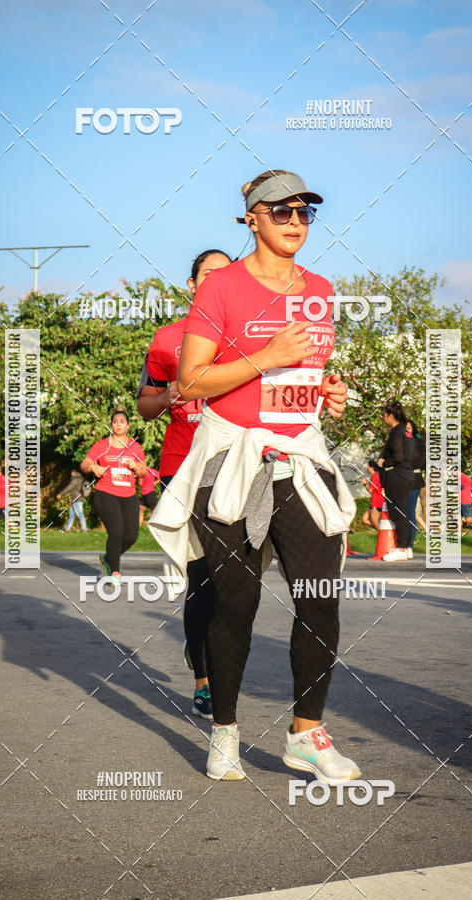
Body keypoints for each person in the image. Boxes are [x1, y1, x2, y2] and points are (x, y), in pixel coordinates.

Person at [149, 169, 360, 785]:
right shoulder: (221, 290)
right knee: (233, 605)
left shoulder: (319, 288)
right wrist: (264, 356)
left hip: (300, 456)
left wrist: (328, 392)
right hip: (233, 462)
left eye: (304, 213)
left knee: (321, 595)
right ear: (252, 219)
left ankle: (306, 733)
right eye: (282, 211)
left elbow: (301, 377)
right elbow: (188, 382)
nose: (295, 222)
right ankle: (226, 732)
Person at [137, 249, 232, 720]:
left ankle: (217, 662)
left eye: (225, 274)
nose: (217, 281)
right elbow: (145, 406)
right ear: (193, 284)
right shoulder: (166, 340)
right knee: (200, 579)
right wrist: (172, 392)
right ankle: (204, 680)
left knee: (233, 582)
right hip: (182, 466)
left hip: (236, 465)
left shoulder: (247, 334)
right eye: (208, 275)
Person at [81, 409, 147, 583]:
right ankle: (114, 572)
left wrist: (136, 466)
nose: (118, 424)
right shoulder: (103, 445)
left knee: (131, 536)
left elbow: (143, 472)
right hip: (106, 493)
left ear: (128, 425)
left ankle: (108, 558)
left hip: (129, 495)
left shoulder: (135, 447)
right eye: (115, 421)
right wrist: (94, 467)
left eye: (122, 421)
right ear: (111, 425)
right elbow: (85, 463)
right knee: (116, 531)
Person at [377, 400, 414, 561]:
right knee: (403, 510)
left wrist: (384, 462)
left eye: (385, 416)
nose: (384, 420)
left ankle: (402, 547)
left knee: (397, 511)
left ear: (392, 416)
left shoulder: (396, 432)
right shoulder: (407, 432)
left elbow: (397, 455)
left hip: (397, 475)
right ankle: (406, 548)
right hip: (407, 474)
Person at [406, 420, 426, 559]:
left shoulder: (417, 442)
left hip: (413, 480)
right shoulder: (400, 441)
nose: (406, 429)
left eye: (409, 427)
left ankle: (409, 545)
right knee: (402, 513)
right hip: (400, 479)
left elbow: (421, 461)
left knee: (410, 512)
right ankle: (402, 543)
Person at [361, 460, 384, 531]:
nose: (367, 468)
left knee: (374, 520)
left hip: (377, 502)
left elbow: (371, 490)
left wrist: (365, 484)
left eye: (368, 467)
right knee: (364, 519)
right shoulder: (375, 476)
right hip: (374, 501)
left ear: (371, 468)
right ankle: (380, 530)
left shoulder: (374, 476)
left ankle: (382, 533)